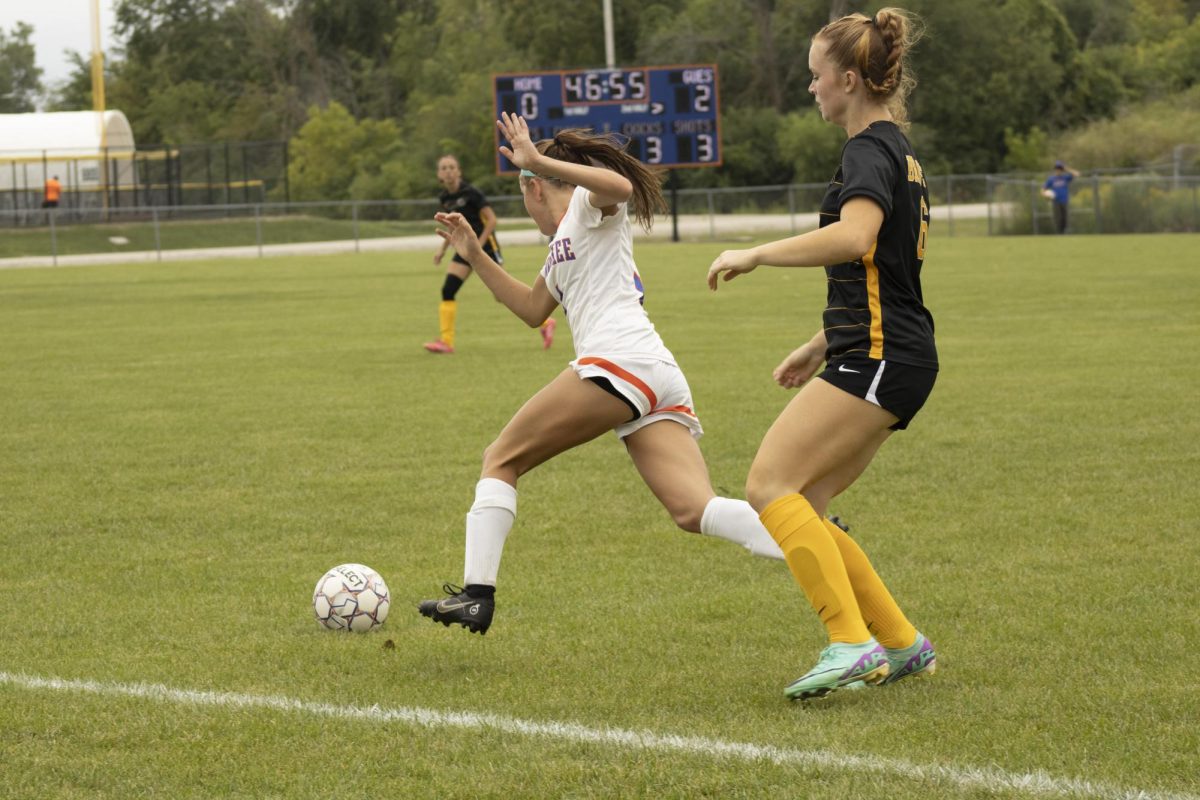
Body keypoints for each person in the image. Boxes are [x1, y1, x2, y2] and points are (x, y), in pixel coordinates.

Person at [418, 112, 788, 634]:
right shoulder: (561, 245)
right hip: (653, 372)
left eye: (526, 191)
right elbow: (530, 309)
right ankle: (805, 534)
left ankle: (477, 594)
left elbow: (619, 185)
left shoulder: (590, 209)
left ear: (536, 189)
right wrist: (475, 255)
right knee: (693, 509)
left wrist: (536, 160)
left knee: (500, 458)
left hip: (619, 363)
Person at [706, 7, 937, 701]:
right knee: (808, 498)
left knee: (768, 488)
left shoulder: (867, 150)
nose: (810, 89)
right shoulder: (900, 149)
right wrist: (818, 345)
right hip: (889, 350)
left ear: (846, 79)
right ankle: (899, 641)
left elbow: (856, 239)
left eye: (814, 77)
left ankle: (849, 642)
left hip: (880, 355)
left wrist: (756, 253)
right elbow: (887, 270)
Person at [425, 154, 555, 354]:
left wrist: (478, 246)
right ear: (439, 174)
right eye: (444, 168)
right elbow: (452, 226)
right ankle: (446, 341)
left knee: (500, 295)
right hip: (464, 248)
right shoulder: (445, 198)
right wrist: (442, 250)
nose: (448, 171)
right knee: (448, 290)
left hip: (485, 246)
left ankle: (546, 323)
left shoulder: (472, 193)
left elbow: (492, 220)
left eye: (452, 167)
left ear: (459, 171)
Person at [1043, 159, 1080, 234]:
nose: (1058, 170)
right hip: (1055, 201)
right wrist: (1045, 195)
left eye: (1060, 168)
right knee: (1058, 219)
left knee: (1065, 218)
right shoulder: (1051, 179)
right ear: (1055, 169)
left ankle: (1064, 232)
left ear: (1062, 169)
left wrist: (1066, 169)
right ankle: (1059, 233)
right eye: (1057, 168)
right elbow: (1043, 189)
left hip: (1064, 201)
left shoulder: (1065, 177)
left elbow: (1077, 174)